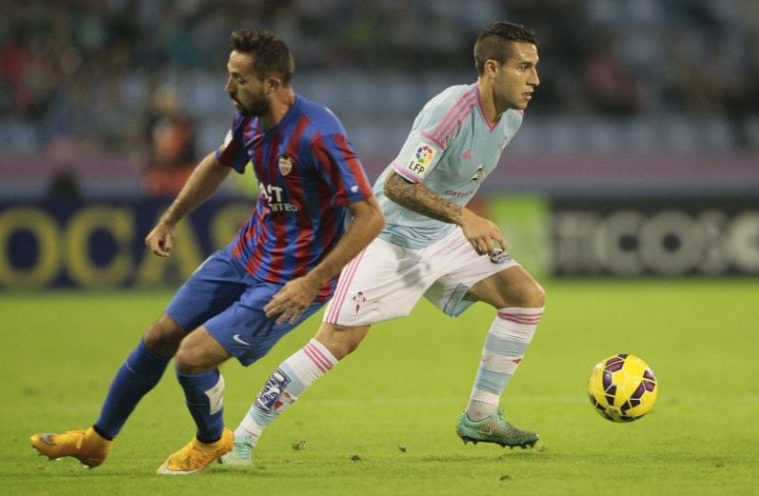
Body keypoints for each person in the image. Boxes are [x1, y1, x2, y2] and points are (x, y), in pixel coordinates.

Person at [30, 29, 384, 475]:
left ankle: (211, 442)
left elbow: (371, 216)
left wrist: (312, 283)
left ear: (272, 83)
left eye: (238, 78)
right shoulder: (250, 119)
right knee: (160, 336)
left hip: (289, 281)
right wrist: (170, 218)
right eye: (228, 75)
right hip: (244, 255)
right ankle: (95, 441)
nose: (227, 87)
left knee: (192, 357)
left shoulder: (319, 135)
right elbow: (218, 163)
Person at [220, 21, 545, 466]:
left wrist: (457, 220)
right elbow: (396, 185)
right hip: (389, 238)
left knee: (525, 298)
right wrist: (464, 216)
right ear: (492, 68)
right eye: (524, 67)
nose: (535, 80)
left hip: (441, 237)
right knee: (338, 341)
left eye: (535, 67)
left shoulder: (512, 116)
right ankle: (242, 437)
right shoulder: (450, 110)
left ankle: (480, 414)